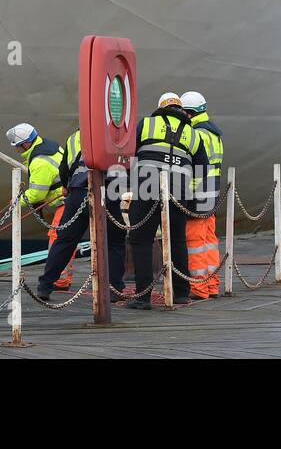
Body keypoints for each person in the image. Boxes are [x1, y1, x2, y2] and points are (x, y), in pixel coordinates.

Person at [126, 92, 209, 310]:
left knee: (141, 240)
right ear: (181, 109)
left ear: (160, 106)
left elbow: (127, 155)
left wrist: (128, 184)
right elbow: (202, 169)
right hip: (178, 193)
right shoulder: (193, 134)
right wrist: (190, 199)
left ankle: (143, 297)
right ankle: (182, 293)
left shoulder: (145, 125)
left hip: (146, 188)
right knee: (176, 242)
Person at [35, 127, 128, 301]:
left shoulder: (73, 137)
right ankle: (115, 289)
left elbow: (64, 168)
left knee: (65, 241)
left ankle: (45, 286)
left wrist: (66, 186)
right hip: (106, 191)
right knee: (115, 241)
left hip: (77, 193)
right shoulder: (112, 134)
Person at [4, 124, 66, 283]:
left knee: (58, 240)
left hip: (66, 202)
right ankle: (60, 278)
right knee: (63, 239)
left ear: (25, 144)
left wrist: (17, 200)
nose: (17, 150)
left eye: (17, 147)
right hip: (70, 197)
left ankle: (59, 281)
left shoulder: (39, 161)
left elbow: (38, 193)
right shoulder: (48, 145)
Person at [182, 90, 225, 299]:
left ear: (189, 113)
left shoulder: (196, 134)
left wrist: (186, 193)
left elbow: (194, 167)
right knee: (210, 241)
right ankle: (212, 285)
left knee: (195, 243)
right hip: (213, 193)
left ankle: (199, 288)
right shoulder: (214, 133)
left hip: (198, 193)